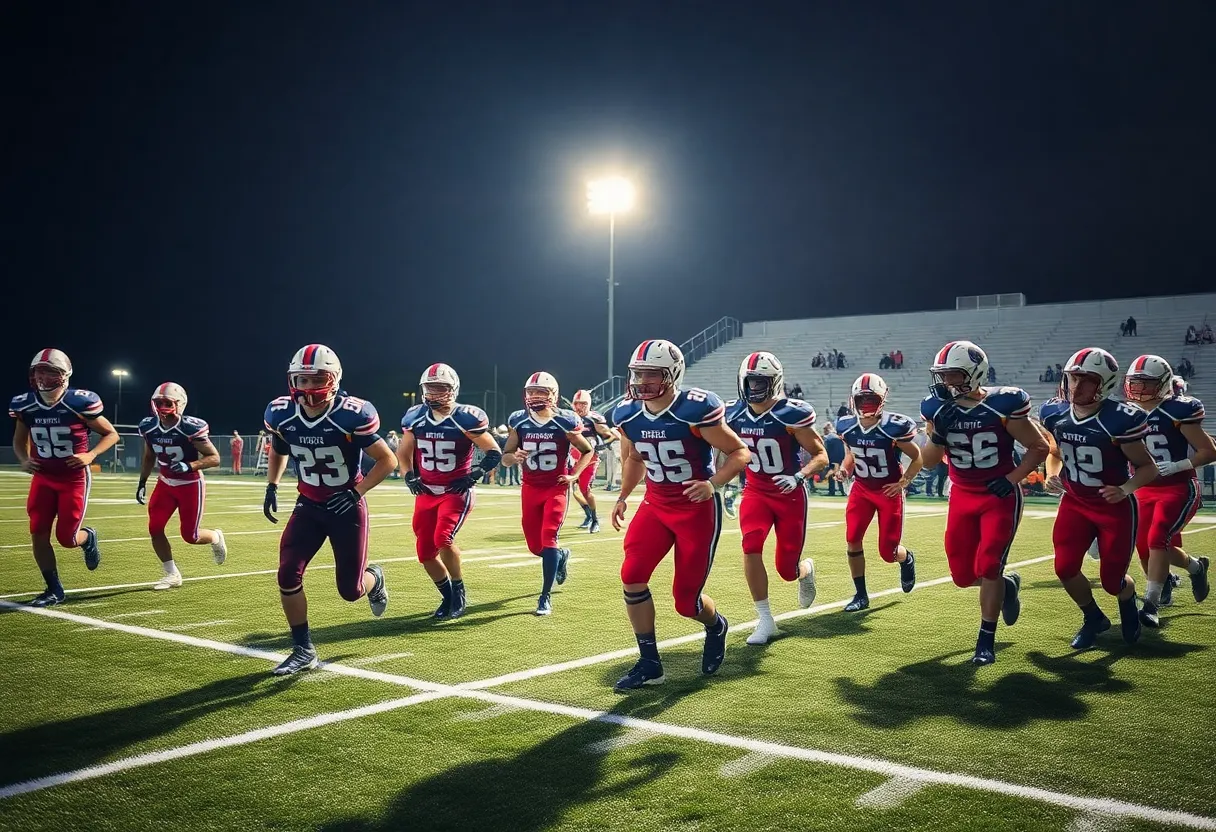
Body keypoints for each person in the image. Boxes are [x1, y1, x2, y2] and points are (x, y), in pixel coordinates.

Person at [610, 339, 749, 690]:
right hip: (656, 503)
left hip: (696, 508)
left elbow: (740, 452)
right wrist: (623, 496)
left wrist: (713, 483)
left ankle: (715, 625)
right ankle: (649, 661)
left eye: (650, 374)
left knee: (686, 602)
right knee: (632, 574)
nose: (641, 381)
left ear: (672, 374)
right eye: (637, 373)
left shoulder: (695, 409)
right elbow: (636, 458)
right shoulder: (628, 414)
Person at [261, 344, 396, 675]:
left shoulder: (351, 414)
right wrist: (272, 484)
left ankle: (374, 578)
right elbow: (279, 447)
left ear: (334, 379)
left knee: (350, 591)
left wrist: (356, 492)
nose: (307, 388)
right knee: (287, 572)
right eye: (301, 380)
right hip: (308, 505)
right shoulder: (281, 413)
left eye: (316, 379)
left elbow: (387, 460)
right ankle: (303, 649)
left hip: (346, 508)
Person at [921, 340, 1048, 665]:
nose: (947, 383)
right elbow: (929, 461)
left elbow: (1038, 447)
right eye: (943, 376)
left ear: (974, 374)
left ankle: (985, 639)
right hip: (963, 493)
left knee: (989, 563)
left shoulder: (1003, 404)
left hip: (998, 493)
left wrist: (1012, 479)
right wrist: (938, 434)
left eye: (954, 375)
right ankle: (1007, 585)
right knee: (962, 575)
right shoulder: (936, 409)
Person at [1040, 348, 1156, 649]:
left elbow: (1148, 467)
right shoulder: (1054, 413)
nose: (1075, 387)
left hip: (1113, 508)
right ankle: (1093, 617)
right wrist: (1051, 473)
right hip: (1075, 502)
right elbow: (1054, 452)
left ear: (1103, 384)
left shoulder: (1120, 419)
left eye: (1085, 381)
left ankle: (1127, 602)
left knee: (1111, 581)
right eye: (1072, 379)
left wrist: (1126, 489)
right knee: (1064, 568)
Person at [725, 352, 828, 644]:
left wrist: (799, 475)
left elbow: (821, 456)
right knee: (751, 545)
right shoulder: (734, 413)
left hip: (788, 494)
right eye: (751, 381)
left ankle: (805, 570)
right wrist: (728, 482)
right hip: (756, 490)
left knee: (787, 569)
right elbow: (726, 449)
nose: (755, 387)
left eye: (761, 381)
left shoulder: (791, 414)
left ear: (775, 382)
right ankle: (766, 619)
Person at [10, 349, 117, 606]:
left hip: (73, 478)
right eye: (39, 371)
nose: (42, 377)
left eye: (49, 371)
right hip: (44, 477)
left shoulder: (79, 403)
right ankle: (53, 589)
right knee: (37, 531)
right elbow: (19, 438)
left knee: (67, 538)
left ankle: (88, 537)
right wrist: (24, 459)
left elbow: (112, 434)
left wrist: (90, 455)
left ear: (64, 375)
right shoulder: (25, 404)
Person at [398, 363, 502, 620]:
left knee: (443, 539)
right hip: (426, 491)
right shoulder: (415, 416)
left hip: (455, 491)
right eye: (430, 388)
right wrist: (409, 475)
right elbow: (404, 451)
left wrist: (474, 475)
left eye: (440, 388)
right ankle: (448, 597)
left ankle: (459, 589)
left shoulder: (465, 417)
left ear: (452, 390)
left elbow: (493, 452)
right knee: (424, 552)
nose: (433, 394)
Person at [1123, 355, 1212, 626]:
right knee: (1143, 545)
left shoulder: (1178, 410)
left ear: (1162, 384)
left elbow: (1209, 451)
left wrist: (1178, 465)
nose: (1139, 390)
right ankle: (1196, 567)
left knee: (1157, 537)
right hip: (1143, 488)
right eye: (1135, 383)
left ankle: (1151, 603)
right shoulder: (1126, 413)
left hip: (1177, 486)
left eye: (1146, 383)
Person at [501, 372, 596, 615]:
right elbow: (506, 457)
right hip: (530, 487)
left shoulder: (564, 421)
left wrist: (574, 474)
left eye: (541, 392)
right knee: (535, 547)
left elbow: (587, 450)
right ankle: (561, 556)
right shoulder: (519, 421)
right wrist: (515, 457)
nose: (535, 396)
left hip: (556, 487)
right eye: (531, 392)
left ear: (553, 395)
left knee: (548, 538)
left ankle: (545, 596)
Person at [835, 374, 922, 612]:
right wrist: (844, 469)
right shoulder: (847, 426)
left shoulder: (893, 427)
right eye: (861, 400)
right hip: (862, 488)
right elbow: (851, 454)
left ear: (882, 399)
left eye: (870, 399)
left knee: (888, 553)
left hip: (887, 491)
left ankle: (906, 558)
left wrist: (903, 482)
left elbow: (917, 457)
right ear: (853, 400)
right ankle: (860, 594)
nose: (865, 405)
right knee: (852, 538)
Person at [136, 383, 227, 590]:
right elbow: (149, 456)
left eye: (167, 403)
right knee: (155, 527)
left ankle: (215, 536)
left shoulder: (189, 428)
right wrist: (142, 481)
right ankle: (171, 573)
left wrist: (190, 465)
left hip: (190, 485)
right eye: (158, 402)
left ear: (180, 404)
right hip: (165, 483)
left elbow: (214, 458)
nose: (162, 407)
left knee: (190, 536)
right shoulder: (149, 426)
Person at [569, 388, 618, 533]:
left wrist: (600, 445)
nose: (580, 407)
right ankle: (588, 515)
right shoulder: (569, 417)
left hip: (590, 458)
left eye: (583, 403)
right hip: (573, 457)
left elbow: (610, 435)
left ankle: (595, 519)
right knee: (574, 491)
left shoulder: (594, 418)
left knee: (585, 489)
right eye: (577, 403)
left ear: (589, 404)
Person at [822, 424, 847, 496]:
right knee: (840, 474)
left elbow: (826, 450)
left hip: (832, 458)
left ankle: (832, 491)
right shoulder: (838, 437)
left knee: (831, 475)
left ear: (826, 430)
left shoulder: (828, 438)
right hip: (841, 459)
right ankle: (843, 491)